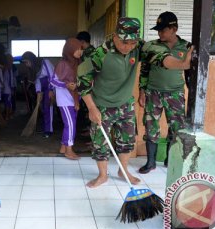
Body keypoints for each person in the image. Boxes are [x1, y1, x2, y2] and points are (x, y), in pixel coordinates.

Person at [77, 17, 142, 188]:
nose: (128, 47)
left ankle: (123, 170)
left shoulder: (138, 48)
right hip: (102, 106)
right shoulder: (99, 54)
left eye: (132, 43)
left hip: (126, 104)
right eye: (124, 42)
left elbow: (159, 56)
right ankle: (103, 175)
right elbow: (82, 80)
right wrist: (91, 108)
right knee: (100, 143)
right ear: (115, 37)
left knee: (127, 141)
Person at [138, 11, 194, 174]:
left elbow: (190, 73)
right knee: (150, 126)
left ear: (174, 29)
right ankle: (150, 163)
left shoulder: (186, 46)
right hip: (153, 93)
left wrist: (189, 93)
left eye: (163, 29)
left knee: (177, 128)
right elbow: (145, 70)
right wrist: (142, 91)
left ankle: (171, 159)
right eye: (158, 29)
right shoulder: (152, 46)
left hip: (175, 93)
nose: (159, 33)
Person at [50, 38, 82, 160]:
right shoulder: (62, 64)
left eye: (81, 49)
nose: (80, 52)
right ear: (70, 50)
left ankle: (63, 147)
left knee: (70, 124)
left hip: (74, 98)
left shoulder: (77, 63)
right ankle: (69, 150)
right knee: (70, 125)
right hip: (64, 99)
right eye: (77, 49)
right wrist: (66, 85)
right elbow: (53, 80)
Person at [21, 51, 55, 138]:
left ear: (31, 60)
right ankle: (45, 128)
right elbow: (37, 81)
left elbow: (52, 76)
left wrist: (51, 90)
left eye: (26, 62)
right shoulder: (33, 69)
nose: (26, 65)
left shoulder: (45, 62)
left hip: (50, 87)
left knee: (48, 108)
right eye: (25, 63)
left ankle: (49, 130)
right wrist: (38, 92)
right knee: (43, 108)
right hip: (43, 89)